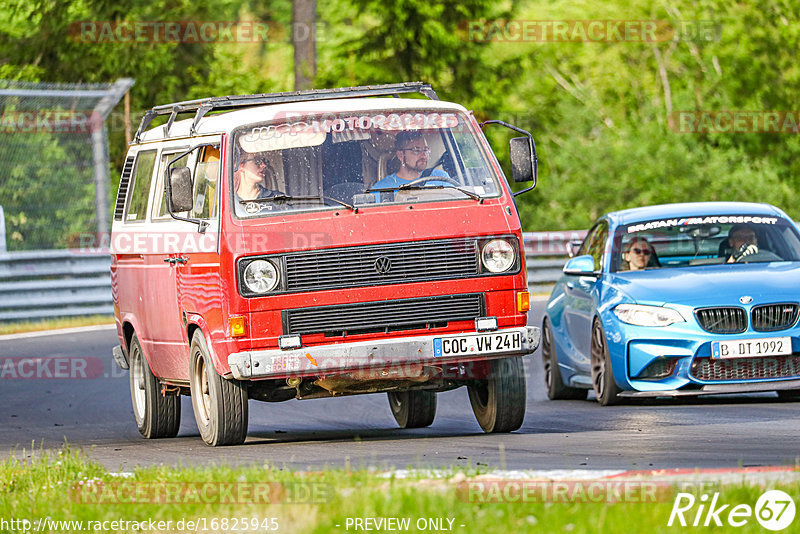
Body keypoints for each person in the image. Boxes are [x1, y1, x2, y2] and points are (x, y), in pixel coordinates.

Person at [370, 131, 450, 201]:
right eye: (416, 150)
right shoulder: (383, 188)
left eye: (425, 150)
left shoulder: (440, 178)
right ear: (401, 155)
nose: (424, 156)